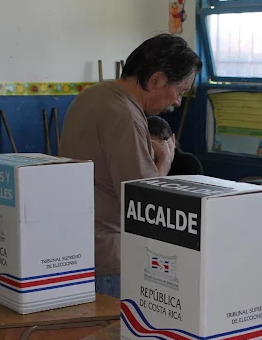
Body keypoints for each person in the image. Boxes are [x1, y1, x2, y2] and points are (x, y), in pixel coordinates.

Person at [59, 34, 202, 299]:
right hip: (110, 256)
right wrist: (164, 161)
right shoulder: (125, 115)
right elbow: (143, 204)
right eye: (180, 92)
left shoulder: (92, 95)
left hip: (80, 247)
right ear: (156, 80)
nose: (178, 102)